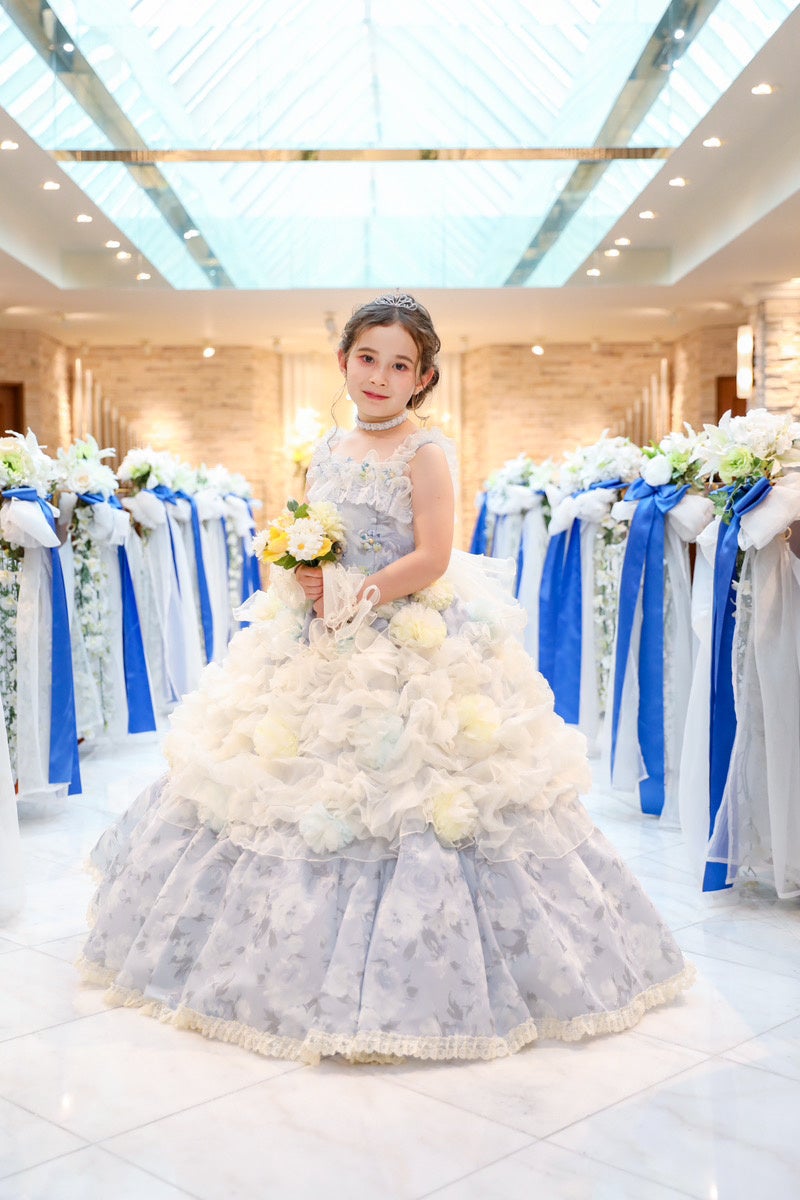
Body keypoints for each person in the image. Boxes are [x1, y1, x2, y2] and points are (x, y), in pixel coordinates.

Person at [79, 294, 693, 1063]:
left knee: (418, 794)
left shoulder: (425, 452)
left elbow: (433, 554)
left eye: (400, 365)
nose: (379, 376)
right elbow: (310, 534)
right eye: (367, 358)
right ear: (343, 361)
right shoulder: (326, 448)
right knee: (276, 782)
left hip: (406, 631)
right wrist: (309, 574)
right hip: (317, 630)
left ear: (422, 378)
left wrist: (355, 594)